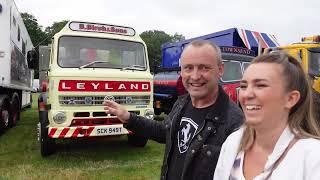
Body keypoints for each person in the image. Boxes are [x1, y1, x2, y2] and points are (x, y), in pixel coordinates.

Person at [104, 40, 244, 180]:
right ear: (181, 71)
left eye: (204, 68)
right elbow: (164, 132)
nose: (195, 76)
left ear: (220, 69)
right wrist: (128, 117)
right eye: (188, 68)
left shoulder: (235, 123)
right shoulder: (182, 103)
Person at [214, 52, 320, 180]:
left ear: (291, 99)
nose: (247, 94)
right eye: (243, 86)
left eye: (260, 85)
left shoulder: (312, 157)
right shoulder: (233, 142)